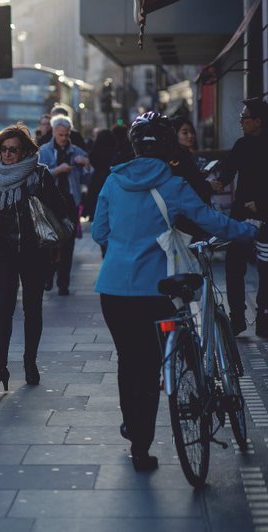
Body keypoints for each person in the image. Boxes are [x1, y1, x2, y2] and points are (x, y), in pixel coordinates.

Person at [92, 111, 257, 472]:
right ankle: (142, 444)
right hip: (156, 288)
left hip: (114, 288)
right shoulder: (174, 184)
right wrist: (249, 231)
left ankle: (133, 430)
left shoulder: (113, 182)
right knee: (151, 365)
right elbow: (212, 221)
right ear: (167, 147)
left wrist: (124, 245)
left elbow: (98, 233)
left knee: (128, 360)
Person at [0, 124, 71, 389]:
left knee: (32, 309)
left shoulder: (39, 175)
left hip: (34, 251)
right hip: (2, 252)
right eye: (3, 149)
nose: (8, 155)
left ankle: (29, 362)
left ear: (25, 151)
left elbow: (59, 210)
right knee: (2, 309)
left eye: (14, 150)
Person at [210, 97, 268, 337]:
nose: (241, 122)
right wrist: (213, 182)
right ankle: (237, 318)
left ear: (258, 121)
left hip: (265, 217)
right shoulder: (241, 145)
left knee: (265, 268)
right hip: (241, 217)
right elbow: (226, 174)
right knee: (234, 266)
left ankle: (264, 317)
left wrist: (262, 203)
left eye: (245, 117)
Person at [38, 115, 92, 295]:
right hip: (50, 203)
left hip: (70, 201)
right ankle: (48, 274)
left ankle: (63, 282)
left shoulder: (77, 151)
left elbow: (87, 178)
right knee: (49, 240)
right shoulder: (44, 151)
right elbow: (39, 177)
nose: (63, 138)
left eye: (66, 135)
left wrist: (86, 166)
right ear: (54, 132)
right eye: (60, 135)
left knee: (68, 243)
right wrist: (57, 170)